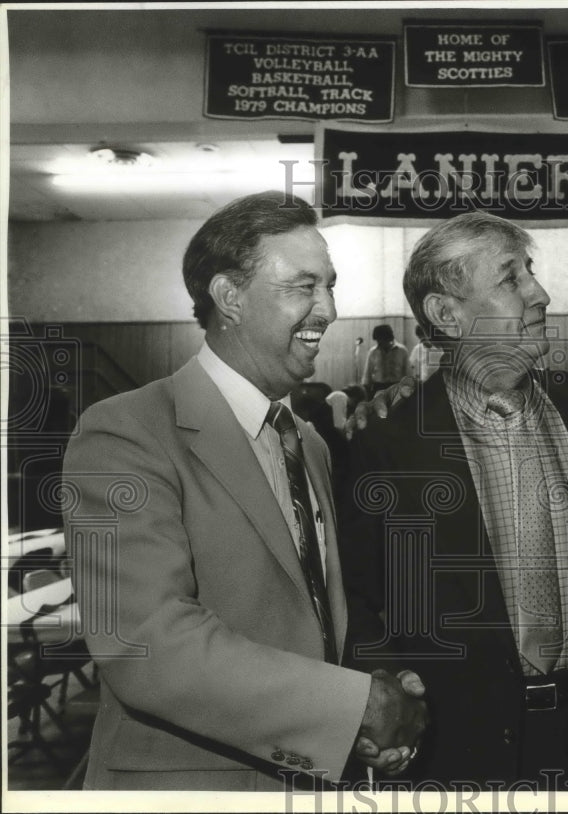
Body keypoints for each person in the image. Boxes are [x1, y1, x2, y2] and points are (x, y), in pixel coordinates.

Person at [61, 191, 426, 791]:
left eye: (330, 286)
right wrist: (353, 708)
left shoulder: (307, 442)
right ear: (229, 297)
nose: (328, 309)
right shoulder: (124, 431)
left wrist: (368, 708)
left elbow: (308, 615)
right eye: (303, 286)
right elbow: (145, 645)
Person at [338, 212, 568, 790]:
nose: (541, 294)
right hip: (460, 752)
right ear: (446, 314)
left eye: (531, 272)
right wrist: (386, 692)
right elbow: (359, 598)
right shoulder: (389, 443)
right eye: (511, 279)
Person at [362, 324, 410, 396]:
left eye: (381, 340)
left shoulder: (402, 351)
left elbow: (408, 372)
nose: (379, 343)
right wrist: (366, 389)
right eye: (377, 340)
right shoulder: (373, 352)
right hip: (378, 387)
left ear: (389, 338)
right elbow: (367, 373)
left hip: (396, 387)